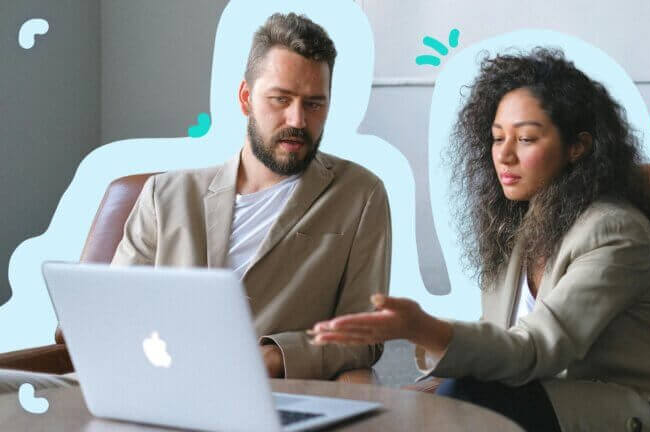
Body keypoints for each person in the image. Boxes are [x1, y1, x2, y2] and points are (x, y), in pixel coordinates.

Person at [309, 48, 650, 431]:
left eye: (525, 138)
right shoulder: (518, 230)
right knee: (435, 399)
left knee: (475, 397)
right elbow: (500, 342)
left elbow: (536, 349)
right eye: (497, 137)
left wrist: (423, 328)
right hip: (574, 401)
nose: (503, 154)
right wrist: (426, 388)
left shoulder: (615, 231)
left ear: (577, 147)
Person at [0, 12, 391, 395]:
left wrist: (271, 357)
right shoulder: (165, 194)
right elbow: (115, 313)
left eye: (314, 104)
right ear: (245, 99)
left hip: (261, 395)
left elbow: (365, 335)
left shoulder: (360, 194)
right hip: (138, 382)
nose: (297, 120)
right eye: (280, 99)